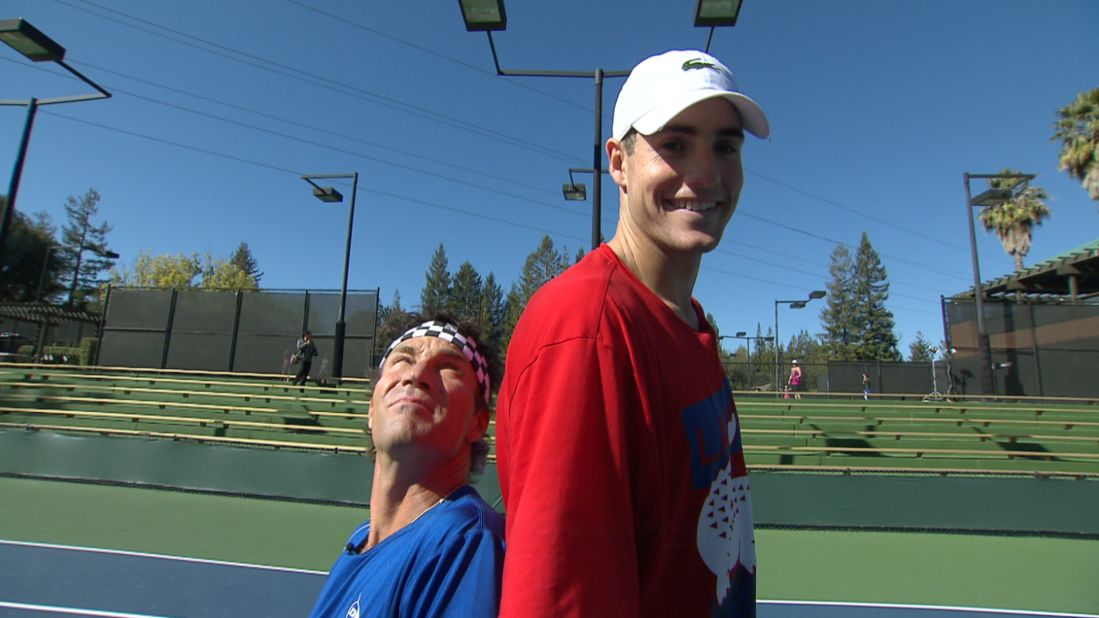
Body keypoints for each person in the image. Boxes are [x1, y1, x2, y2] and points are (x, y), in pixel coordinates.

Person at [496, 49, 769, 616]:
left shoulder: (689, 321)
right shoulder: (584, 330)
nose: (706, 174)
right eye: (674, 144)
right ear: (618, 163)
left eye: (725, 145)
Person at [309, 313, 505, 618]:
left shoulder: (468, 543)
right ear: (371, 410)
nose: (417, 374)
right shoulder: (360, 541)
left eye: (448, 367)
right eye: (402, 360)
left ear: (478, 422)